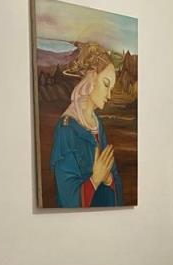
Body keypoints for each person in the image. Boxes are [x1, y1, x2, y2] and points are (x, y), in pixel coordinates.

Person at [49, 42, 123, 207]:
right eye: (106, 84)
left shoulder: (98, 125)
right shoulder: (66, 129)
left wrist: (108, 179)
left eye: (111, 88)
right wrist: (95, 179)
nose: (109, 95)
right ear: (91, 78)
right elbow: (67, 198)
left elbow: (113, 177)